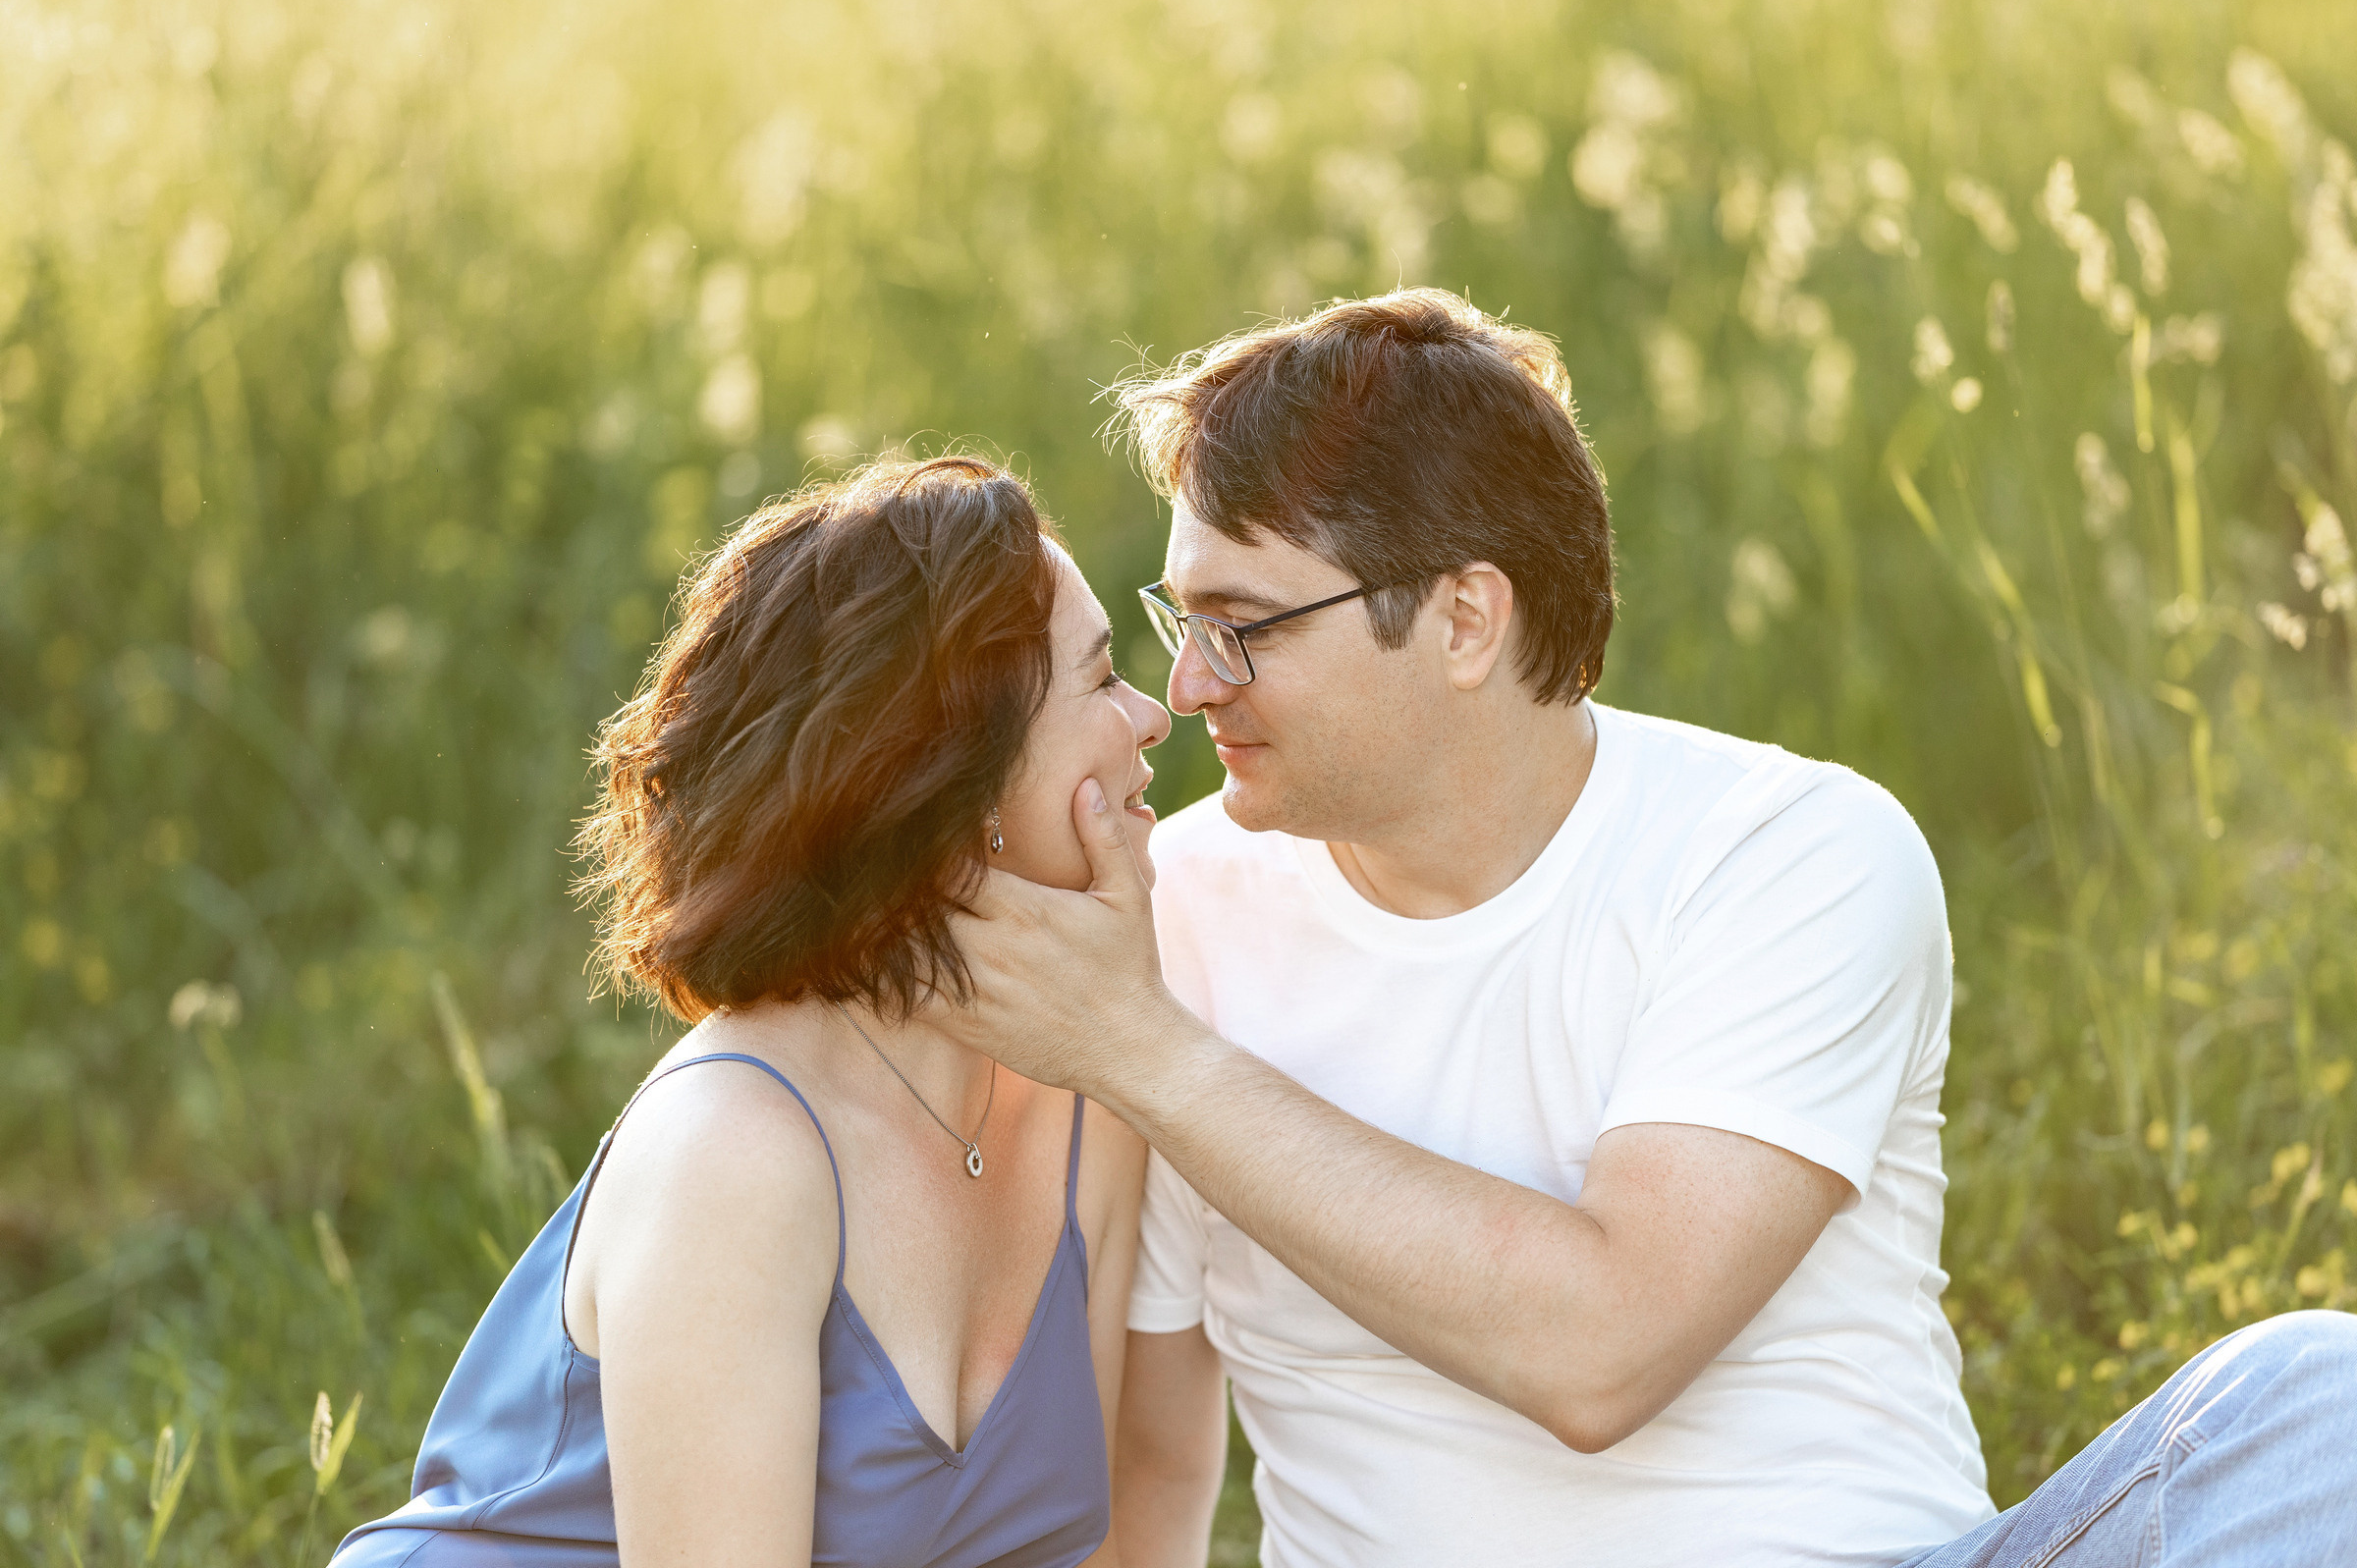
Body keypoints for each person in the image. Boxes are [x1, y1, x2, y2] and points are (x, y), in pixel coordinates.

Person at [928, 292, 2357, 1567]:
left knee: (2316, 1404)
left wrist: (1153, 1058)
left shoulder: (1790, 856)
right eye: (1179, 619)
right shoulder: (1167, 927)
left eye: (1245, 627)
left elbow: (1602, 1351)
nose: (1187, 686)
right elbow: (1157, 1456)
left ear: (1466, 621)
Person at [330, 456, 1172, 1567]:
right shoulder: (737, 1151)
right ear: (961, 787)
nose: (1153, 716)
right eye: (1103, 679)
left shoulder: (1087, 1101)